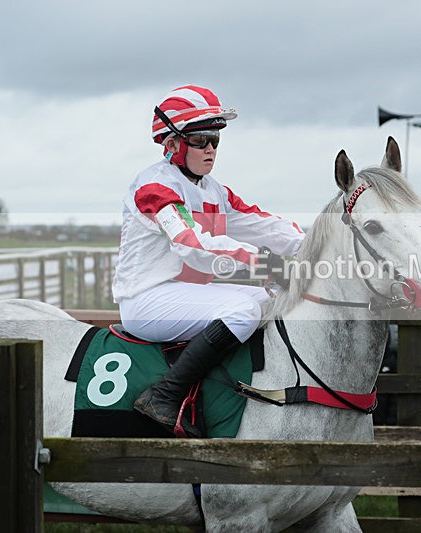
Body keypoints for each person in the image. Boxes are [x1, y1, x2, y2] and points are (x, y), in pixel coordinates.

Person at [112, 85, 305, 437]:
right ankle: (165, 395)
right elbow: (194, 246)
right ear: (172, 144)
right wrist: (268, 264)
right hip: (148, 300)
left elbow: (262, 224)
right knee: (242, 311)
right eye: (201, 139)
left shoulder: (214, 189)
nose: (211, 149)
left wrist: (314, 246)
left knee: (273, 298)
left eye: (215, 139)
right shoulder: (154, 187)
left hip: (182, 294)